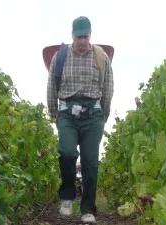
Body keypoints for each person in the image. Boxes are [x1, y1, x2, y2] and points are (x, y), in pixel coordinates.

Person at [47, 16, 114, 223]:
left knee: (90, 162)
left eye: (85, 36)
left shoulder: (101, 57)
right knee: (67, 153)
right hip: (67, 111)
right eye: (78, 37)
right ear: (72, 36)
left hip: (93, 114)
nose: (82, 41)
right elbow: (51, 86)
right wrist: (54, 114)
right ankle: (67, 195)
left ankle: (88, 210)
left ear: (90, 35)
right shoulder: (60, 56)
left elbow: (108, 87)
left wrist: (103, 115)